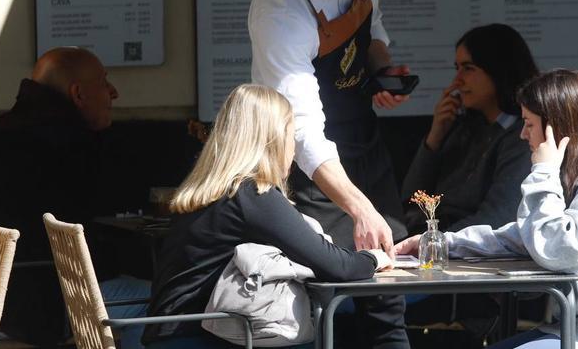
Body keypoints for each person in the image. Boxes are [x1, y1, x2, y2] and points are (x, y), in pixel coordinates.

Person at [396, 69, 578, 349]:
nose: (522, 135)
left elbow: (563, 250)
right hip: (572, 328)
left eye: (529, 124)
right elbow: (524, 235)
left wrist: (543, 172)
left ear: (556, 128)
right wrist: (443, 243)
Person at [248, 0, 410, 348]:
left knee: (389, 292)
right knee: (321, 292)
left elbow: (372, 32)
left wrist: (382, 71)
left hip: (363, 133)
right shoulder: (279, 11)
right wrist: (359, 208)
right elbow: (303, 132)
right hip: (305, 160)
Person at [142, 84, 391, 349]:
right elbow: (333, 265)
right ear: (273, 138)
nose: (294, 151)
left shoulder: (210, 192)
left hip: (170, 333)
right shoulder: (251, 193)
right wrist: (377, 257)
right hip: (199, 336)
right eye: (291, 136)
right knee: (304, 331)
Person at [0, 47, 148, 347]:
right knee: (158, 302)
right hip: (46, 301)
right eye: (104, 82)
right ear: (79, 95)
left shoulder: (0, 135)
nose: (114, 93)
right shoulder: (68, 146)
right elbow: (89, 230)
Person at [402, 23, 538, 234]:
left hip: (462, 249)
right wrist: (435, 136)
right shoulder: (464, 128)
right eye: (457, 68)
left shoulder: (524, 136)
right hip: (430, 237)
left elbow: (497, 218)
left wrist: (435, 242)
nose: (457, 81)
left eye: (468, 68)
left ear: (498, 69)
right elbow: (411, 198)